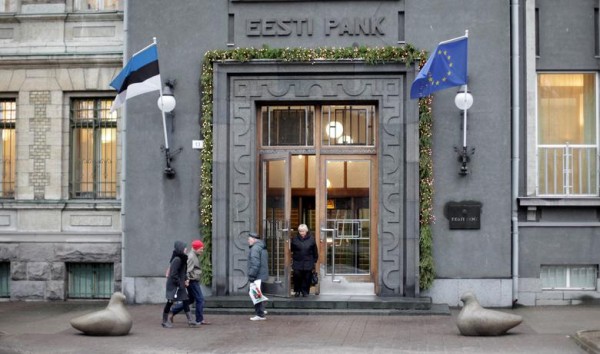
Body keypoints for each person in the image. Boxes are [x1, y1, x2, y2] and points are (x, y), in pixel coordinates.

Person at [170, 239, 210, 325]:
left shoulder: (193, 255)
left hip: (192, 281)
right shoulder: (191, 257)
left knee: (191, 299)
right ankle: (199, 319)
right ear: (196, 248)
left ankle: (173, 310)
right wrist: (187, 280)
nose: (202, 250)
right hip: (192, 281)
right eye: (201, 249)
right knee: (200, 299)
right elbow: (186, 270)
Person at [161, 241, 198, 328]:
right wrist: (179, 283)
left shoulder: (183, 258)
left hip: (179, 284)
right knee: (170, 302)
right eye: (184, 247)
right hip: (174, 285)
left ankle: (190, 320)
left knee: (185, 300)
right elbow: (173, 274)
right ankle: (164, 321)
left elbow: (182, 272)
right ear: (180, 248)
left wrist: (186, 279)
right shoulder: (177, 259)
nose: (186, 249)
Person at [291, 224, 318, 297]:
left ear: (306, 231)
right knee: (297, 275)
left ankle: (305, 291)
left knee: (307, 276)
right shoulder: (295, 238)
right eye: (300, 231)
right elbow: (291, 248)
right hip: (297, 260)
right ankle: (297, 290)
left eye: (303, 231)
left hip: (308, 260)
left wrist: (315, 259)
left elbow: (314, 250)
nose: (301, 233)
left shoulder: (311, 238)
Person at [247, 232, 268, 321]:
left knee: (255, 295)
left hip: (257, 275)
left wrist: (252, 275)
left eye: (249, 239)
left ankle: (260, 314)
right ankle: (261, 310)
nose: (248, 241)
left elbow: (255, 264)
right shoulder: (261, 246)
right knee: (258, 294)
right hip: (261, 275)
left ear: (254, 239)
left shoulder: (255, 248)